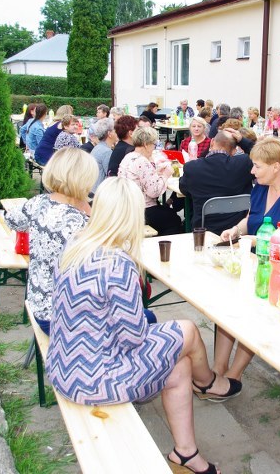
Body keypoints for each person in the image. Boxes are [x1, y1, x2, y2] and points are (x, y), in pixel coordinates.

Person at [47, 177, 238, 474]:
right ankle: (209, 383)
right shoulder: (117, 263)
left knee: (180, 365)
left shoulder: (76, 244)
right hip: (96, 378)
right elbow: (133, 337)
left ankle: (186, 454)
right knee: (187, 331)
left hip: (66, 366)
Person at [216, 138, 280, 381]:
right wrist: (235, 230)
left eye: (257, 166)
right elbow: (251, 219)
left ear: (275, 166)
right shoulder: (260, 187)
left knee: (252, 317)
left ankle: (233, 376)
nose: (252, 171)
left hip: (277, 269)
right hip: (250, 262)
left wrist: (256, 240)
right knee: (225, 307)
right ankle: (218, 370)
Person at [4, 148, 96, 335]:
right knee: (145, 318)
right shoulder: (80, 222)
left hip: (38, 303)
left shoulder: (38, 202)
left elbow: (11, 219)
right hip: (65, 316)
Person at [179, 129, 254, 234]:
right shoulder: (244, 164)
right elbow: (263, 155)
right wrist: (242, 141)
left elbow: (183, 189)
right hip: (239, 230)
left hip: (204, 231)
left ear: (212, 142)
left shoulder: (192, 168)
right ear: (234, 151)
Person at [118, 127, 183, 235]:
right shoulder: (142, 161)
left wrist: (156, 172)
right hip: (142, 210)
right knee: (173, 219)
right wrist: (166, 175)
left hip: (127, 206)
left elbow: (141, 177)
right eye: (153, 144)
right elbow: (154, 192)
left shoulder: (129, 157)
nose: (154, 147)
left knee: (167, 212)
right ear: (145, 144)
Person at [90, 117, 117, 193]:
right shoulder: (106, 152)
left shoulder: (98, 147)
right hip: (99, 192)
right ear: (109, 134)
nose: (117, 132)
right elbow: (110, 176)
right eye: (115, 130)